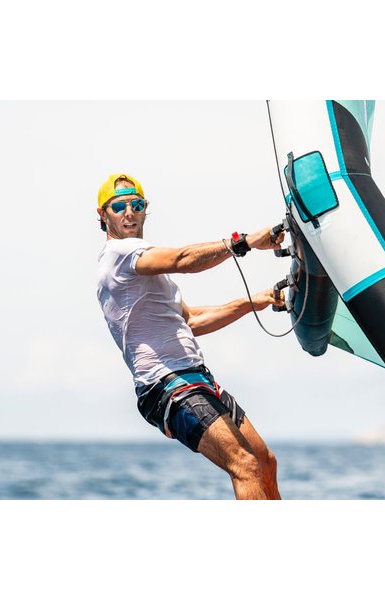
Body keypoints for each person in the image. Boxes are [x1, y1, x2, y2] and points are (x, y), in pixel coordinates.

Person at [96, 172, 285, 500]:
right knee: (245, 465)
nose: (129, 213)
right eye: (119, 206)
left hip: (196, 378)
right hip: (166, 386)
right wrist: (242, 242)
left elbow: (192, 321)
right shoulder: (119, 253)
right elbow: (181, 259)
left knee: (265, 462)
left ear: (145, 209)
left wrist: (257, 300)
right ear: (103, 215)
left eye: (136, 205)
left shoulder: (147, 272)